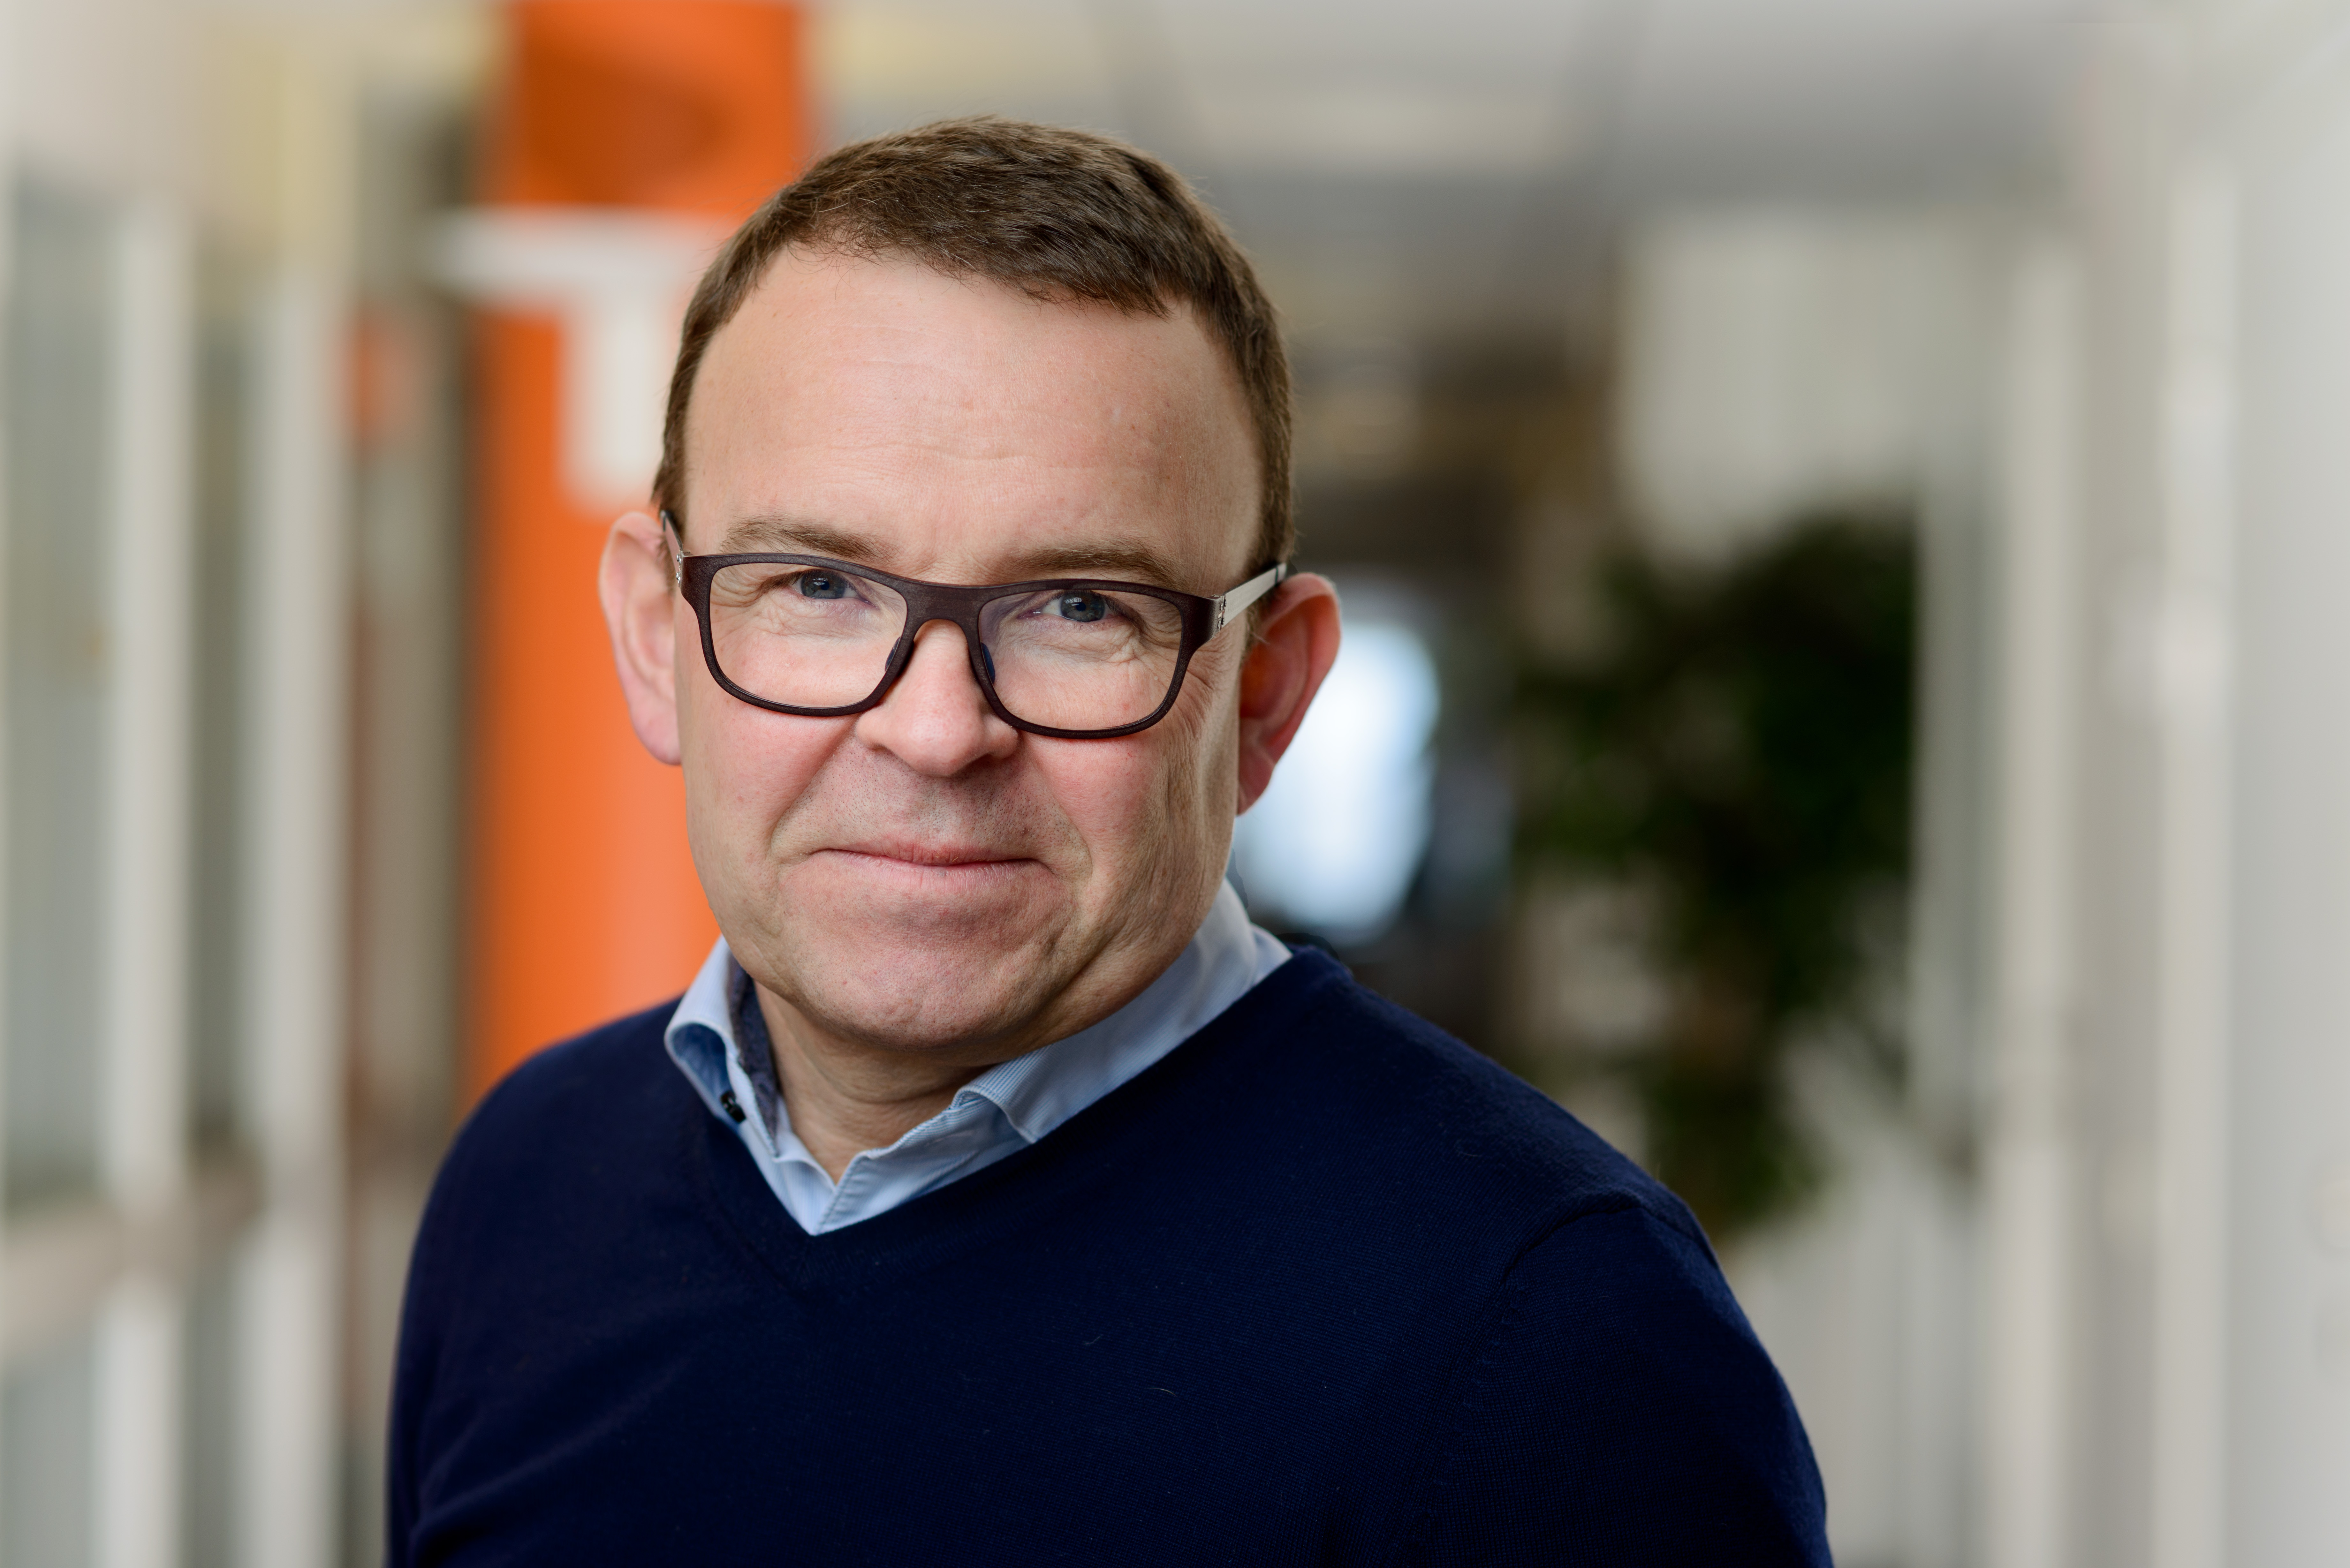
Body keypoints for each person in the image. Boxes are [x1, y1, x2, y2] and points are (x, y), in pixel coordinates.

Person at [387, 117, 1828, 1564]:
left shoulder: (1560, 1344)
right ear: (657, 638)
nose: (936, 730)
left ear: (1264, 695)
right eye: (819, 585)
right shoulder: (527, 1186)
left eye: (1081, 608)